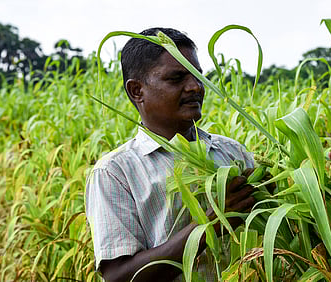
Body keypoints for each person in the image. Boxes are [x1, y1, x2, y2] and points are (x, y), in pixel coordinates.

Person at [85, 27, 257, 282]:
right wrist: (208, 225)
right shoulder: (115, 173)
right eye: (176, 79)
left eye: (198, 76)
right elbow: (119, 276)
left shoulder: (233, 153)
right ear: (136, 91)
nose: (195, 87)